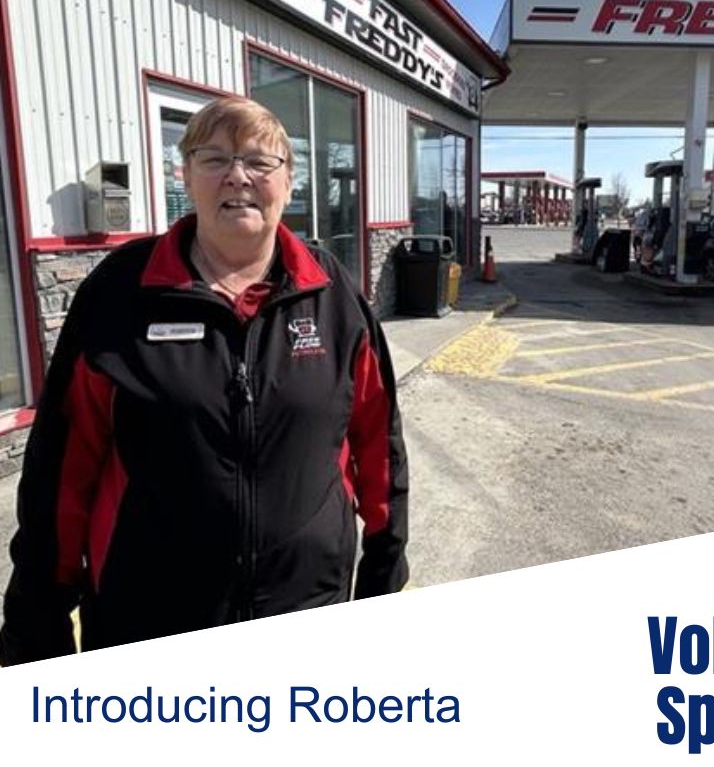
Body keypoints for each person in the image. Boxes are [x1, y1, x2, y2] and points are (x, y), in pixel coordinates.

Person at [0, 97, 408, 665]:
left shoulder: (334, 297)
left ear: (289, 182)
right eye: (213, 158)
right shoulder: (119, 295)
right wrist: (35, 622)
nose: (238, 176)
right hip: (147, 621)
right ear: (184, 176)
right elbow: (60, 474)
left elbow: (378, 443)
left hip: (307, 605)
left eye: (260, 162)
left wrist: (385, 569)